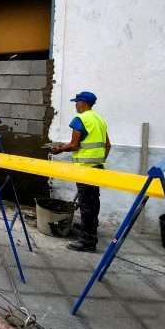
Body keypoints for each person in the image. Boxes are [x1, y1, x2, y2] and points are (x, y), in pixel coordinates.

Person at [51, 91, 111, 252]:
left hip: (84, 169)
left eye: (77, 102)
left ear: (83, 103)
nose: (75, 105)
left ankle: (88, 241)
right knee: (93, 201)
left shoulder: (80, 119)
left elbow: (74, 145)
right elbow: (108, 145)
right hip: (96, 167)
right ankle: (89, 227)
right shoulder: (99, 120)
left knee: (86, 204)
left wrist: (58, 149)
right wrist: (98, 161)